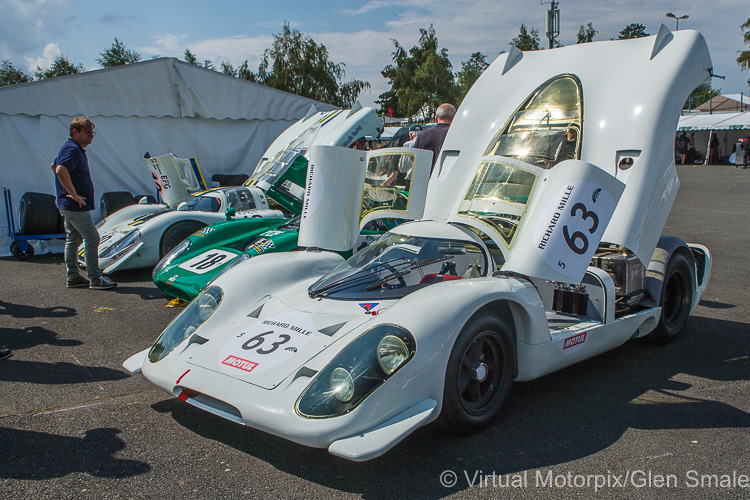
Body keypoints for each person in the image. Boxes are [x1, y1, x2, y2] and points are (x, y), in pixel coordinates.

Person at [53, 116, 117, 290]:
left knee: (73, 238)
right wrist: (73, 194)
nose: (91, 136)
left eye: (92, 132)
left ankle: (73, 277)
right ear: (75, 132)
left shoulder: (72, 148)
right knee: (92, 237)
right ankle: (95, 278)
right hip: (75, 205)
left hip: (69, 205)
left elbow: (54, 165)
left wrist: (65, 191)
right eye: (87, 132)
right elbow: (60, 169)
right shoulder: (72, 149)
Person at [414, 103, 456, 173]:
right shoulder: (458, 134)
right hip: (452, 180)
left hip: (427, 180)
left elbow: (415, 162)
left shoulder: (423, 135)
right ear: (454, 118)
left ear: (436, 118)